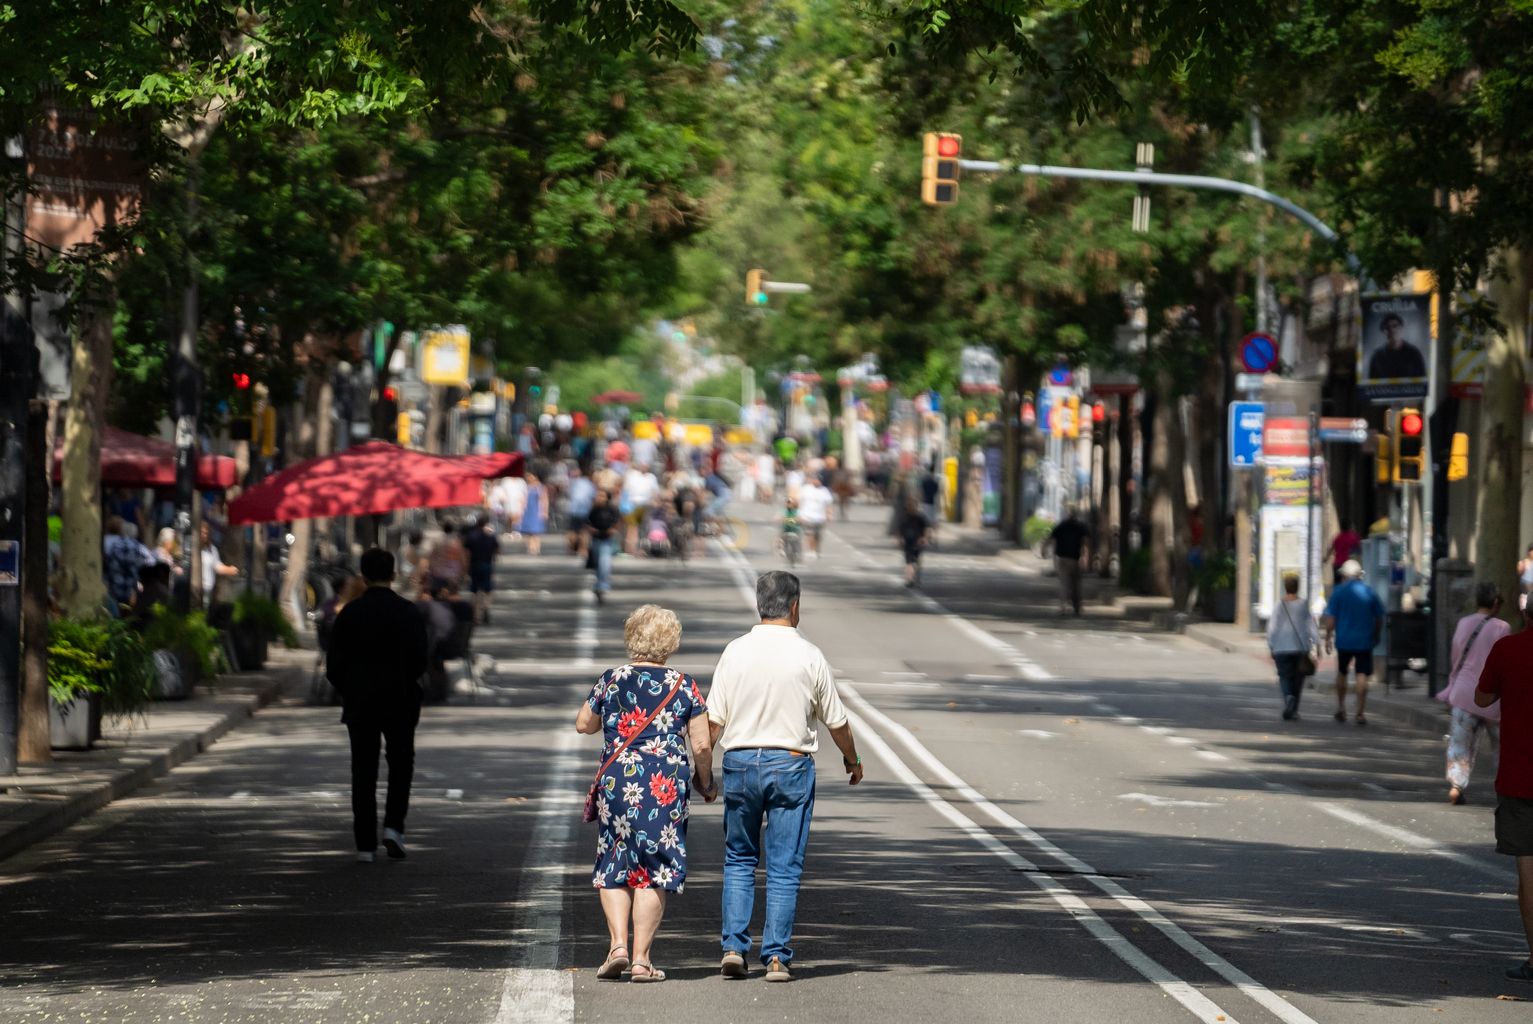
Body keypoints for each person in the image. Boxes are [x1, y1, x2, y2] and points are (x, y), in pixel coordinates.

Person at [705, 571, 864, 982]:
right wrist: (852, 759)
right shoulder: (809, 655)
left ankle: (733, 949)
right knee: (783, 865)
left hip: (739, 763)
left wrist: (702, 774)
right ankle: (775, 956)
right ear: (794, 607)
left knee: (739, 858)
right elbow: (837, 721)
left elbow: (713, 723)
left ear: (760, 605)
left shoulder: (734, 652)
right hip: (790, 765)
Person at [575, 605, 714, 983]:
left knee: (615, 860)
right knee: (656, 867)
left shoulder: (612, 678)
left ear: (631, 638)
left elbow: (582, 724)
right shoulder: (684, 684)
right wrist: (706, 782)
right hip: (664, 785)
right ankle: (641, 960)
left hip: (618, 780)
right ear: (670, 642)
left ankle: (617, 946)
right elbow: (701, 745)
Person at [325, 548, 431, 863]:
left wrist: (351, 688)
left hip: (360, 701)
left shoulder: (350, 613)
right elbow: (420, 660)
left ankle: (365, 845)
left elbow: (334, 666)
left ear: (363, 576)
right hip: (400, 698)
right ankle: (394, 828)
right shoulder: (408, 612)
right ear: (393, 574)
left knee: (363, 769)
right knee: (401, 764)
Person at [1473, 595, 1533, 983]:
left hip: (1520, 778)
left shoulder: (1508, 648)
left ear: (1527, 612)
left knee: (1529, 875)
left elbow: (1482, 697)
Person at [1440, 582, 1511, 804]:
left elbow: (1455, 656)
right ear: (1496, 602)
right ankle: (1506, 788)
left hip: (1463, 692)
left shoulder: (1463, 623)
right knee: (1502, 746)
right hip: (1492, 697)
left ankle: (1456, 785)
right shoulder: (1502, 628)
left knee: (1460, 743)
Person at [1321, 559, 1387, 725]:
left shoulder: (1338, 592)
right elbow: (1379, 617)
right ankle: (1360, 712)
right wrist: (1376, 634)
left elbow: (1330, 620)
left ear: (1344, 575)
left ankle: (1341, 708)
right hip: (1364, 640)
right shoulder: (1369, 592)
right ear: (1360, 576)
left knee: (1342, 672)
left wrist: (1328, 638)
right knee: (1362, 674)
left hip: (1343, 640)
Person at [1266, 574, 1318, 721]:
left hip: (1281, 647)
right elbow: (1311, 625)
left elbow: (1272, 627)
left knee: (1284, 676)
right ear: (1297, 587)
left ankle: (1288, 698)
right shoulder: (1303, 605)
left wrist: (1270, 644)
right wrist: (1317, 644)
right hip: (1300, 648)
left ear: (1285, 587)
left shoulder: (1279, 605)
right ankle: (1294, 709)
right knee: (1298, 679)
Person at [1047, 508, 1092, 616]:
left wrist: (1046, 550)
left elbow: (1051, 539)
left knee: (1064, 584)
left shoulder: (1061, 526)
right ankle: (1077, 607)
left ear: (1067, 516)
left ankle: (1063, 607)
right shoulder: (1081, 527)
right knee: (1076, 585)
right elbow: (1086, 542)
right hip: (1075, 559)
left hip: (1063, 559)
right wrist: (1086, 557)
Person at [586, 487, 622, 603]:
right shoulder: (594, 509)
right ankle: (598, 585)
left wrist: (613, 530)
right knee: (597, 564)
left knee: (604, 563)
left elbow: (617, 521)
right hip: (596, 539)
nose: (599, 498)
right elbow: (587, 522)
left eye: (602, 495)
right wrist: (591, 530)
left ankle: (602, 586)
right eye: (598, 495)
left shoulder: (612, 509)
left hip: (607, 539)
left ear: (607, 497)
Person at [102, 516, 147, 609]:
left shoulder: (113, 545)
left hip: (113, 589)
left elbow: (109, 566)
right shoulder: (137, 547)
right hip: (129, 591)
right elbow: (141, 566)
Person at [462, 517, 501, 625]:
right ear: (485, 524)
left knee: (474, 591)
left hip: (474, 565)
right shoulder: (490, 536)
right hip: (487, 565)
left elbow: (466, 553)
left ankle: (475, 616)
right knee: (487, 590)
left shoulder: (470, 536)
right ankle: (486, 608)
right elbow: (497, 550)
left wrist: (465, 568)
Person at [1367, 312, 1428, 379]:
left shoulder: (1414, 354)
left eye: (1395, 326)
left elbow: (1422, 381)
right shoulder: (1377, 357)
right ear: (1384, 331)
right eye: (1387, 327)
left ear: (1401, 328)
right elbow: (1372, 384)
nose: (1392, 330)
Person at [620, 462, 660, 555]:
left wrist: (654, 501)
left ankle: (637, 549)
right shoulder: (632, 475)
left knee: (641, 528)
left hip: (645, 505)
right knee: (632, 528)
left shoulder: (651, 477)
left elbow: (655, 492)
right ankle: (631, 549)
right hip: (632, 504)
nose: (644, 466)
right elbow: (625, 490)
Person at [199, 521, 238, 607]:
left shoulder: (212, 549)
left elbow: (218, 567)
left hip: (208, 591)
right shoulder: (192, 549)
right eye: (202, 532)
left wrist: (229, 569)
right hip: (196, 591)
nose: (204, 535)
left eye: (206, 533)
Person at [797, 475, 834, 560]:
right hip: (807, 516)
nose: (817, 482)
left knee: (818, 536)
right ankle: (811, 551)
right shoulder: (805, 489)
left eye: (819, 481)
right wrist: (798, 514)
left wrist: (829, 513)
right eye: (815, 480)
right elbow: (799, 501)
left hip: (820, 517)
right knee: (809, 534)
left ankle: (816, 549)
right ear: (812, 480)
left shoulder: (824, 491)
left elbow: (828, 503)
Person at [897, 495, 930, 588]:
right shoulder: (904, 517)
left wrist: (925, 538)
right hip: (907, 542)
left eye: (913, 505)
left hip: (917, 542)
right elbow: (900, 530)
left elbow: (926, 528)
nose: (912, 507)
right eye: (910, 506)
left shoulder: (920, 518)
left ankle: (915, 578)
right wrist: (899, 540)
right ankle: (909, 579)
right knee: (908, 562)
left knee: (916, 562)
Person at [426, 521, 466, 592]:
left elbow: (431, 557)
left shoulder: (437, 541)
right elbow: (462, 559)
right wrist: (462, 573)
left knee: (438, 596)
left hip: (438, 573)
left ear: (443, 529)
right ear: (453, 529)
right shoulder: (457, 542)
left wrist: (430, 569)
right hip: (453, 575)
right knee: (451, 597)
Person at [520, 471, 549, 556]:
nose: (528, 478)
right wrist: (522, 509)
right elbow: (524, 499)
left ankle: (536, 547)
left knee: (536, 531)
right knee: (529, 531)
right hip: (528, 511)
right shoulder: (528, 487)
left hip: (536, 510)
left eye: (530, 476)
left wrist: (544, 512)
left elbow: (544, 500)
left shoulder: (540, 487)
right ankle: (530, 547)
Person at [1327, 519, 1363, 585]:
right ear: (1350, 527)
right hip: (1349, 567)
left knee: (1337, 585)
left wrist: (1325, 558)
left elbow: (1330, 549)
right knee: (1350, 586)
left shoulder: (1337, 537)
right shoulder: (1354, 537)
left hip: (1337, 565)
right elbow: (1360, 549)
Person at [779, 497, 803, 567]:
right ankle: (782, 550)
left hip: (795, 531)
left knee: (795, 547)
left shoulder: (797, 511)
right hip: (786, 530)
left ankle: (796, 556)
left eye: (790, 503)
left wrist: (787, 520)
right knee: (781, 540)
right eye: (787, 502)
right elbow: (780, 518)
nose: (788, 504)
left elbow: (800, 520)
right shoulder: (784, 511)